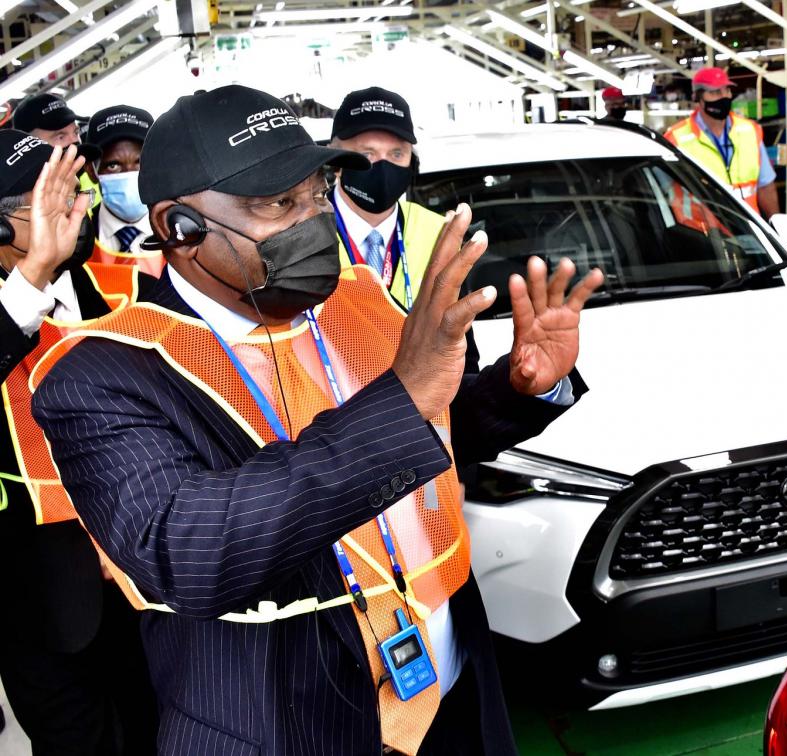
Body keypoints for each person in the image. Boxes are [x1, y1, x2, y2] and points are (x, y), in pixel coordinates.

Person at [30, 85, 603, 755]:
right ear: (181, 227)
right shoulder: (103, 372)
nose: (314, 220)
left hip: (453, 696)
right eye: (277, 203)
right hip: (284, 726)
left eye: (314, 193)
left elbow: (425, 432)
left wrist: (519, 386)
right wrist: (404, 396)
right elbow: (188, 550)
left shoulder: (356, 303)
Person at [0, 134, 156, 754]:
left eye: (77, 196)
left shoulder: (125, 288)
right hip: (41, 604)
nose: (76, 214)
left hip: (149, 582)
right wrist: (33, 276)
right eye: (50, 205)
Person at [327, 87, 446, 307]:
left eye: (397, 154)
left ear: (412, 162)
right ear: (336, 161)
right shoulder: (300, 232)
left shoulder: (440, 232)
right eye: (366, 154)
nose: (383, 167)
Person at [665, 67, 780, 218]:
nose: (724, 97)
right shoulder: (676, 139)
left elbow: (766, 187)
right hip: (700, 234)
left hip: (749, 232)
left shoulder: (749, 131)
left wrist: (777, 228)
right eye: (715, 92)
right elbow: (662, 192)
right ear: (697, 98)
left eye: (727, 91)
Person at [83, 104, 164, 276]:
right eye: (113, 165)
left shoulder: (183, 229)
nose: (129, 174)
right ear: (92, 171)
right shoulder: (76, 240)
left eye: (140, 162)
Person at [12, 93, 102, 210]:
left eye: (76, 132)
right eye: (60, 137)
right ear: (27, 144)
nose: (74, 140)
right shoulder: (19, 206)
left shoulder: (94, 174)